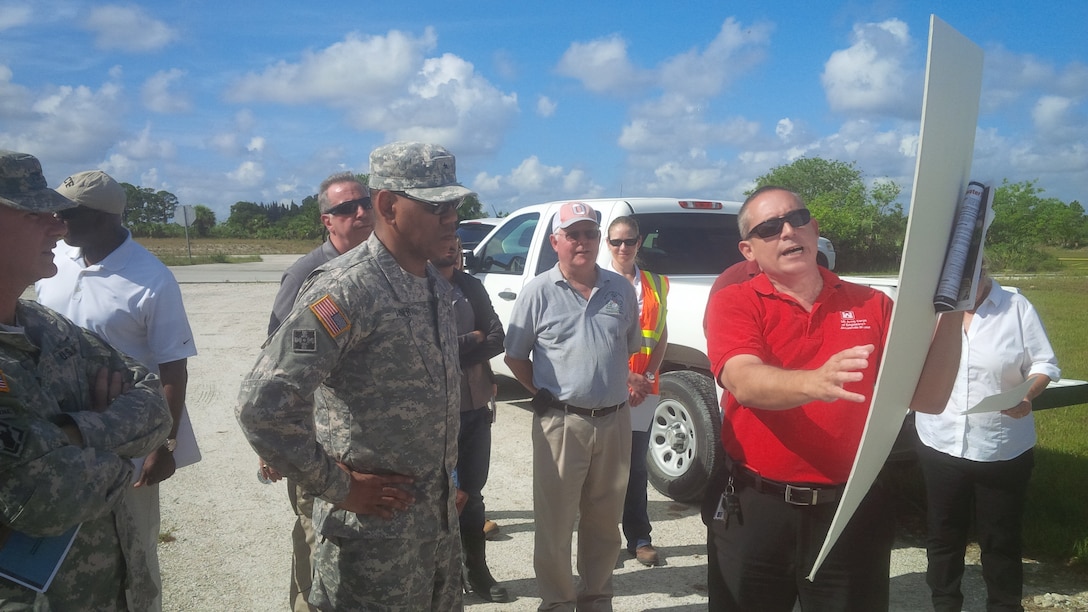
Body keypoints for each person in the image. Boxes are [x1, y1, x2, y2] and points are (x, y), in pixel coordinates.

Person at [704, 185, 964, 610]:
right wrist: (815, 382)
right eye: (769, 228)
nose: (788, 231)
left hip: (852, 510)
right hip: (757, 508)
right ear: (748, 250)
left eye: (797, 219)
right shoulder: (735, 302)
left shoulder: (873, 305)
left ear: (814, 229)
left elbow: (929, 399)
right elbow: (744, 381)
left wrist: (955, 307)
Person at [237, 141, 469, 610]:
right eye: (436, 206)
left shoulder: (434, 286)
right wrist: (338, 485)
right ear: (388, 205)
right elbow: (262, 404)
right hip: (372, 546)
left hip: (435, 534)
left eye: (455, 206)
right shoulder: (345, 290)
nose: (451, 219)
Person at [0, 149, 171, 610]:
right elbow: (39, 498)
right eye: (37, 213)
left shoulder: (44, 325)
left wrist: (76, 434)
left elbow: (153, 403)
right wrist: (117, 451)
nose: (59, 226)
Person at [34, 170, 197, 612]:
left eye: (70, 212)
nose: (58, 219)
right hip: (60, 437)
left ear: (106, 217)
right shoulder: (54, 265)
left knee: (134, 553)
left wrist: (164, 444)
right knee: (65, 552)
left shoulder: (151, 278)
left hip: (127, 442)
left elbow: (172, 369)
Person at [504, 201, 645, 611]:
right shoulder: (538, 292)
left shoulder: (619, 289)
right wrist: (539, 392)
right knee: (556, 524)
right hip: (561, 423)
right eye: (572, 234)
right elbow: (515, 356)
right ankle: (558, 603)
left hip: (615, 421)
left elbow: (628, 345)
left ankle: (597, 599)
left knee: (604, 523)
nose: (582, 242)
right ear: (556, 242)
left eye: (589, 234)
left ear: (598, 239)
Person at [258, 171, 373, 612]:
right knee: (314, 530)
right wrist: (274, 445)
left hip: (359, 442)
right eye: (346, 208)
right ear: (327, 221)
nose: (359, 213)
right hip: (315, 441)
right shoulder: (308, 275)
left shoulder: (380, 269)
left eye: (364, 203)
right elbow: (273, 369)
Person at [915, 268, 1059, 612]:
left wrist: (1027, 395)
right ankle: (945, 603)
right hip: (941, 441)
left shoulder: (1016, 307)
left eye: (971, 278)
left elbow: (1045, 363)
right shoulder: (933, 308)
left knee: (1001, 538)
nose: (963, 288)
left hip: (1001, 447)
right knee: (943, 534)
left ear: (984, 271)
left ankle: (1005, 605)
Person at [434, 238, 511, 603]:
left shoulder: (471, 286)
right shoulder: (414, 285)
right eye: (443, 239)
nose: (451, 247)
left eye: (456, 242)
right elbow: (419, 347)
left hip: (476, 405)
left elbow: (497, 338)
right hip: (434, 412)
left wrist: (453, 350)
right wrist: (471, 338)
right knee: (435, 496)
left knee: (473, 494)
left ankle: (476, 572)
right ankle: (440, 575)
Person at [605, 215, 669, 567]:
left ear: (639, 242)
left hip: (645, 389)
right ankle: (604, 540)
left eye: (629, 241)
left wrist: (644, 376)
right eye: (616, 242)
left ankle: (639, 539)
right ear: (608, 245)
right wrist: (625, 379)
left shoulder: (657, 284)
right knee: (603, 470)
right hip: (607, 389)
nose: (624, 248)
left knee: (635, 469)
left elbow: (660, 335)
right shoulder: (599, 282)